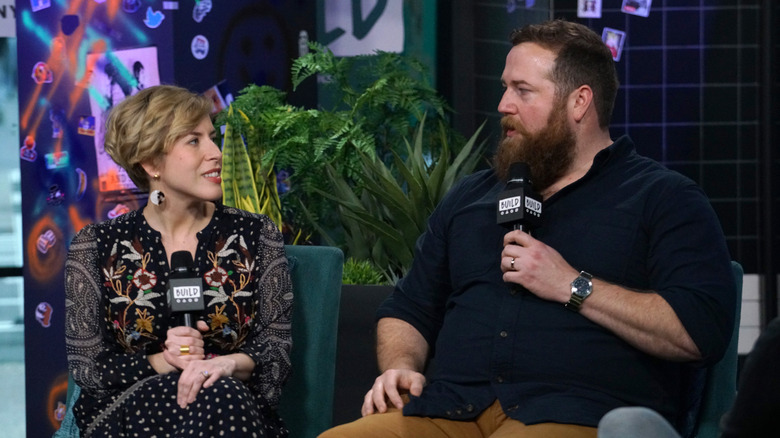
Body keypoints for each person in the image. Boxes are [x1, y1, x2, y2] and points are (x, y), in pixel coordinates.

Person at [319, 19, 735, 438]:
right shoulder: (471, 198)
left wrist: (572, 285)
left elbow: (698, 330)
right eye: (504, 87)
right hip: (448, 409)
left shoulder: (661, 197)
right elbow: (407, 310)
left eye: (522, 90)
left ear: (579, 102)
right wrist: (400, 368)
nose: (503, 104)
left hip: (573, 414)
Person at [64, 85, 293, 437]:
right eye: (194, 140)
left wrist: (222, 365)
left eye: (212, 138)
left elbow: (275, 355)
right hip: (129, 416)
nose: (215, 153)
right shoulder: (96, 246)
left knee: (221, 393)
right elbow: (89, 370)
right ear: (151, 162)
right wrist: (162, 361)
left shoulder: (256, 234)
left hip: (233, 411)